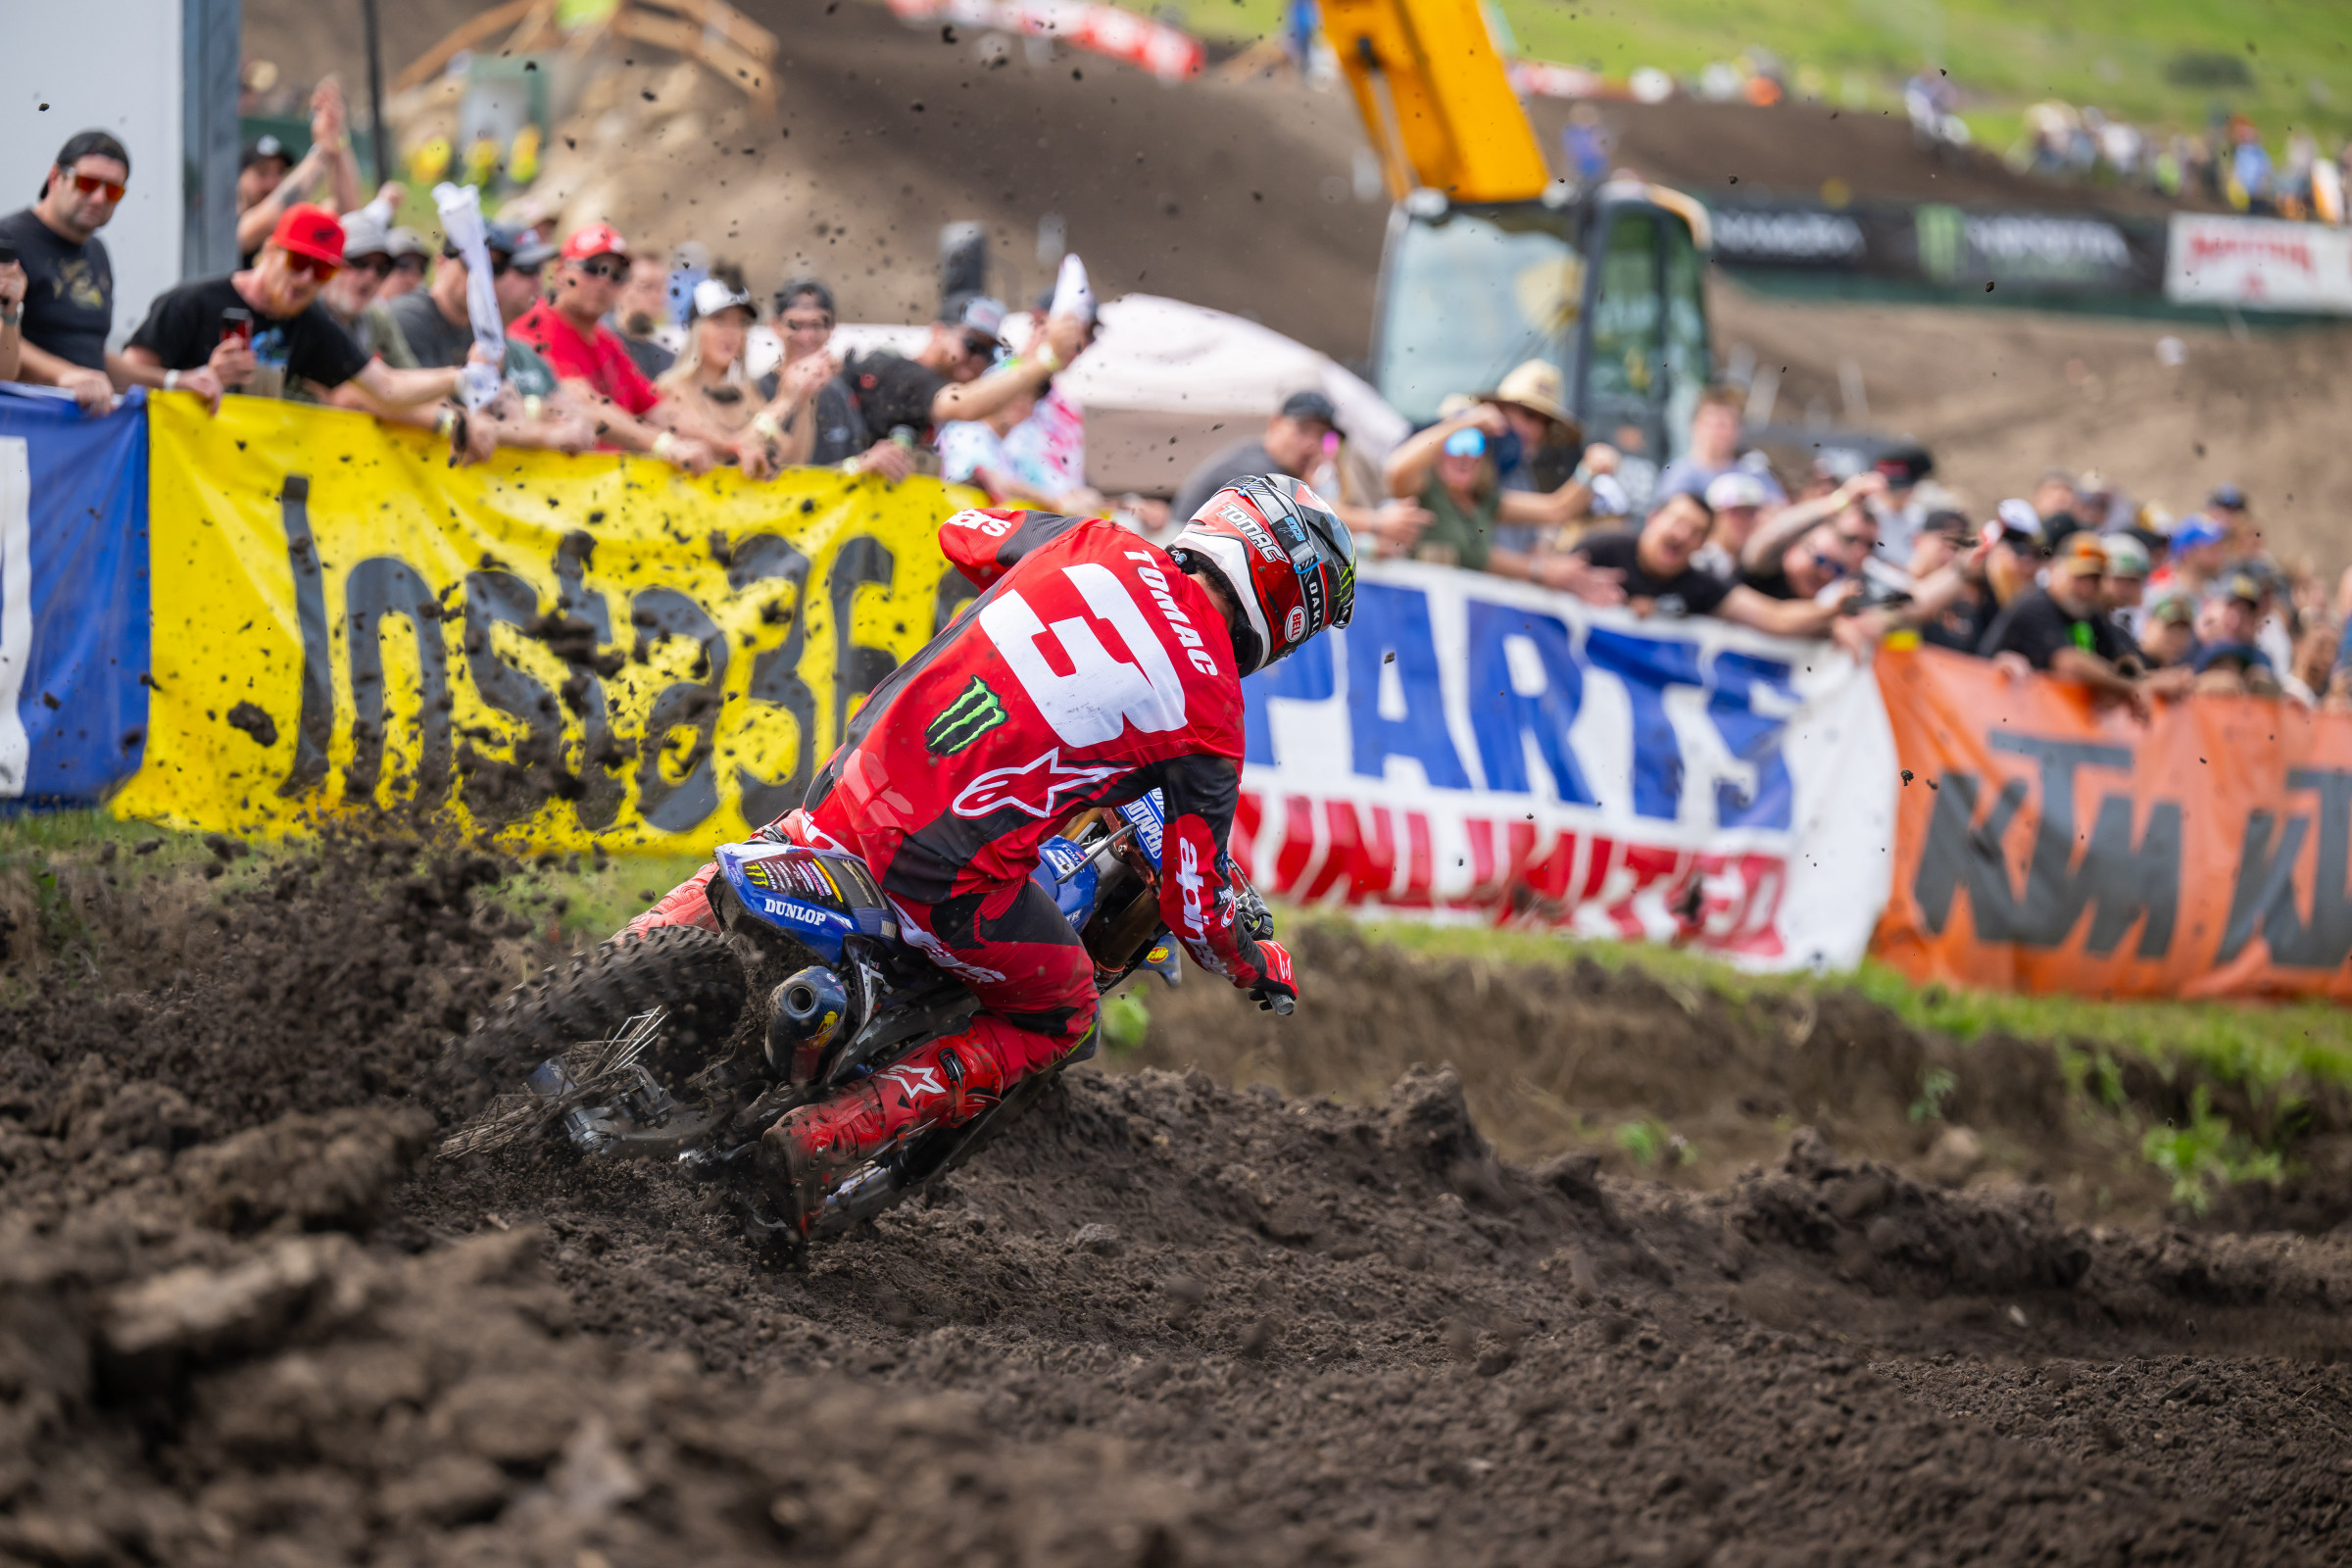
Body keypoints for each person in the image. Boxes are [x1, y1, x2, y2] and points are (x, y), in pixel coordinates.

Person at [627, 475, 1349, 1227]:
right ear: (1284, 605)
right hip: (941, 876)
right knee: (1064, 1009)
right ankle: (820, 1139)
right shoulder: (1213, 715)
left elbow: (961, 532)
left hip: (856, 777)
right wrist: (1254, 961)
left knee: (775, 843)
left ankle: (630, 945)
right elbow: (1193, 905)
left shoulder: (1089, 542)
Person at [123, 204, 462, 417]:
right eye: (298, 261)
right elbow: (124, 377)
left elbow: (387, 388)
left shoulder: (311, 323)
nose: (305, 279)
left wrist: (461, 377)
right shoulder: (192, 302)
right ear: (270, 251)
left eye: (322, 271)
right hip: (171, 474)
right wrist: (186, 381)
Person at [0, 130, 191, 413]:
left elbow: (92, 358)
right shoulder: (8, 239)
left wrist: (176, 381)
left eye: (113, 190)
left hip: (82, 431)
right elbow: (5, 335)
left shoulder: (97, 251)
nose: (100, 198)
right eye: (87, 183)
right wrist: (63, 374)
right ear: (55, 177)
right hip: (25, 426)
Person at [509, 223, 723, 470]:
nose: (603, 281)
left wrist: (730, 445)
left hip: (602, 488)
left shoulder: (607, 342)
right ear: (560, 272)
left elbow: (661, 410)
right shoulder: (534, 328)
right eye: (593, 268)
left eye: (616, 275)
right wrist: (665, 445)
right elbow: (584, 404)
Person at [1567, 491, 1875, 655]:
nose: (1683, 534)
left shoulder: (1701, 585)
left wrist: (1830, 615)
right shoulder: (1604, 549)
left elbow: (1775, 618)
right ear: (1653, 518)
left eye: (1696, 531)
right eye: (1677, 521)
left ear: (1702, 544)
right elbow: (1541, 590)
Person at [382, 221, 593, 458]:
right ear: (442, 262)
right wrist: (546, 435)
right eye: (474, 262)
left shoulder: (485, 331)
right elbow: (436, 414)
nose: (482, 275)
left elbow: (509, 418)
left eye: (496, 268)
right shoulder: (409, 316)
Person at [822, 294, 1089, 478]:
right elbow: (964, 404)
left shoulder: (931, 400)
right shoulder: (900, 372)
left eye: (988, 352)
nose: (977, 360)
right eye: (971, 344)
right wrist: (1046, 359)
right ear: (939, 333)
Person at [1978, 533, 2182, 713]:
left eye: (2094, 580)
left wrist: (2143, 679)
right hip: (1991, 712)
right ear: (2055, 569)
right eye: (2079, 577)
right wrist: (2131, 686)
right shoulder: (2035, 606)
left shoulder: (2087, 613)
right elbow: (2070, 663)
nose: (2086, 588)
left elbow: (2121, 656)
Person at [233, 83, 363, 261]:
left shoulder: (291, 221)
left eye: (279, 172)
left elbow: (347, 212)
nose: (272, 182)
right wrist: (322, 149)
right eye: (262, 173)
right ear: (239, 175)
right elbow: (265, 220)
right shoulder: (226, 223)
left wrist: (338, 135)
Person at [655, 270, 762, 437]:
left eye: (740, 323)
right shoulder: (671, 389)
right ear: (696, 330)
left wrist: (802, 404)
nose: (731, 333)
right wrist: (783, 404)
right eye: (719, 321)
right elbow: (729, 446)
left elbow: (789, 456)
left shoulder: (748, 395)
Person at [1652, 385, 1786, 508]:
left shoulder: (1755, 475)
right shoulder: (1679, 475)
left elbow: (1778, 510)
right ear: (1694, 426)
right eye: (1715, 424)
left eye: (1728, 425)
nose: (1720, 432)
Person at [609, 254, 676, 380]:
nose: (659, 296)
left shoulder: (668, 360)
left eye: (662, 288)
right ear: (621, 289)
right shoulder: (602, 346)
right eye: (647, 286)